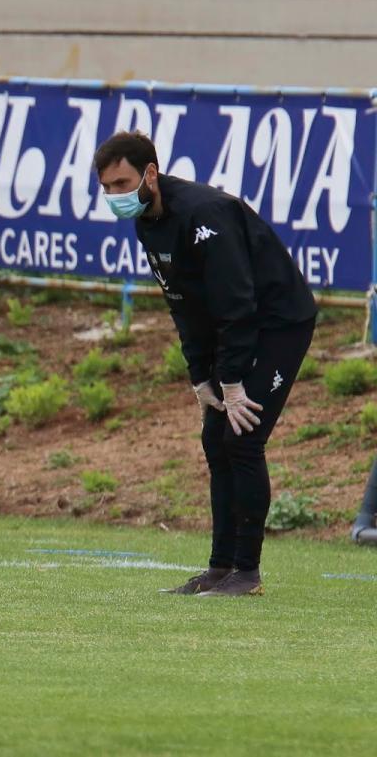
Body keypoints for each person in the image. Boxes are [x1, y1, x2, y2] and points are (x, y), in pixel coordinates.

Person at [94, 131, 317, 597]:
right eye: (107, 188)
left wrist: (233, 382)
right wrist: (201, 377)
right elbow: (184, 306)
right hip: (235, 328)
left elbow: (237, 304)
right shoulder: (148, 224)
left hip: (278, 321)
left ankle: (247, 574)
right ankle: (219, 570)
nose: (114, 196)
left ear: (150, 174)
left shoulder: (204, 214)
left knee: (243, 437)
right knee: (215, 440)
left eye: (121, 183)